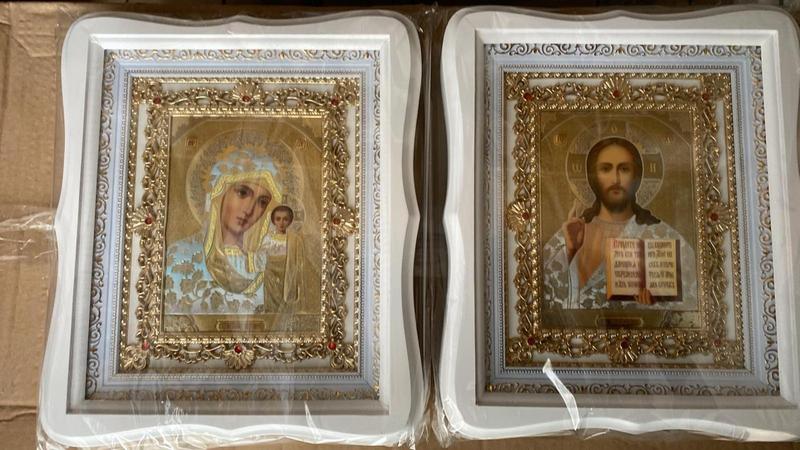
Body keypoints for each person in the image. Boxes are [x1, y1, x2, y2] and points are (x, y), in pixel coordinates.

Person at [541, 137, 696, 310]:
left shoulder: (663, 235)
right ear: (594, 177)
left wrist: (653, 304)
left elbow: (690, 303)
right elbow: (543, 297)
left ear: (636, 176)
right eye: (606, 169)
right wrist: (570, 251)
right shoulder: (569, 233)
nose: (615, 179)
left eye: (624, 169)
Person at [163, 148, 281, 315]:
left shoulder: (266, 264)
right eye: (242, 193)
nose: (250, 209)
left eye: (262, 202)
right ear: (218, 194)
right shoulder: (179, 258)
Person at [261, 205, 320, 314]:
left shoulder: (295, 239)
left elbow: (299, 261)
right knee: (272, 307)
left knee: (286, 306)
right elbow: (262, 256)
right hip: (271, 276)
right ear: (273, 221)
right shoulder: (268, 239)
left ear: (289, 221)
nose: (281, 223)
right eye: (278, 219)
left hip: (288, 274)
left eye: (285, 219)